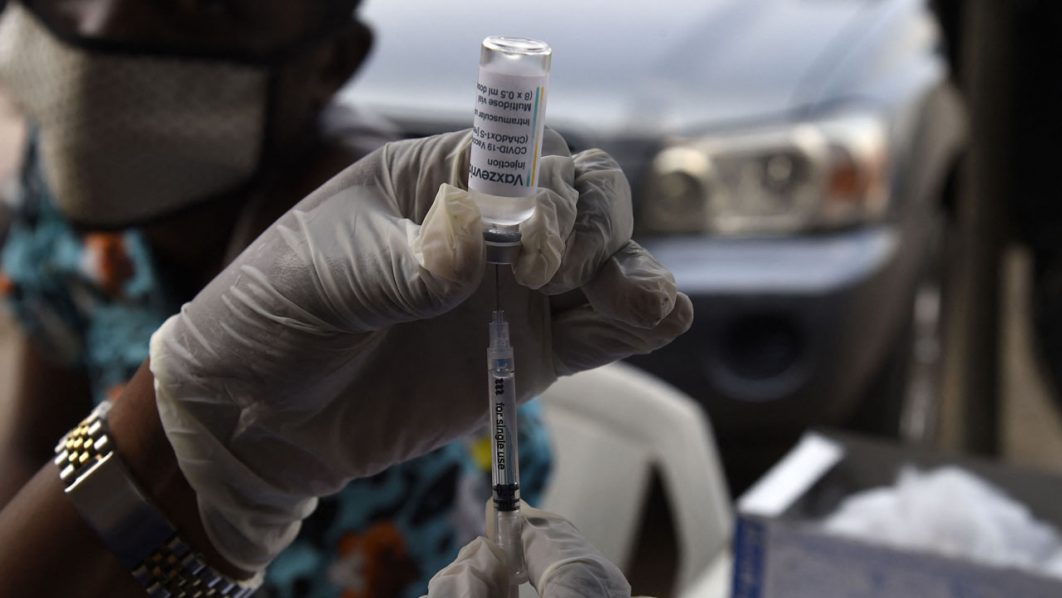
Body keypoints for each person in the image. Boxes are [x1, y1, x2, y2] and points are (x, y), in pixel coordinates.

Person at [0, 1, 692, 596]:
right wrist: (182, 449)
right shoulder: (76, 182)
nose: (103, 28)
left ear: (330, 63)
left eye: (203, 5)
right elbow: (35, 445)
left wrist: (187, 466)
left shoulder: (392, 300)